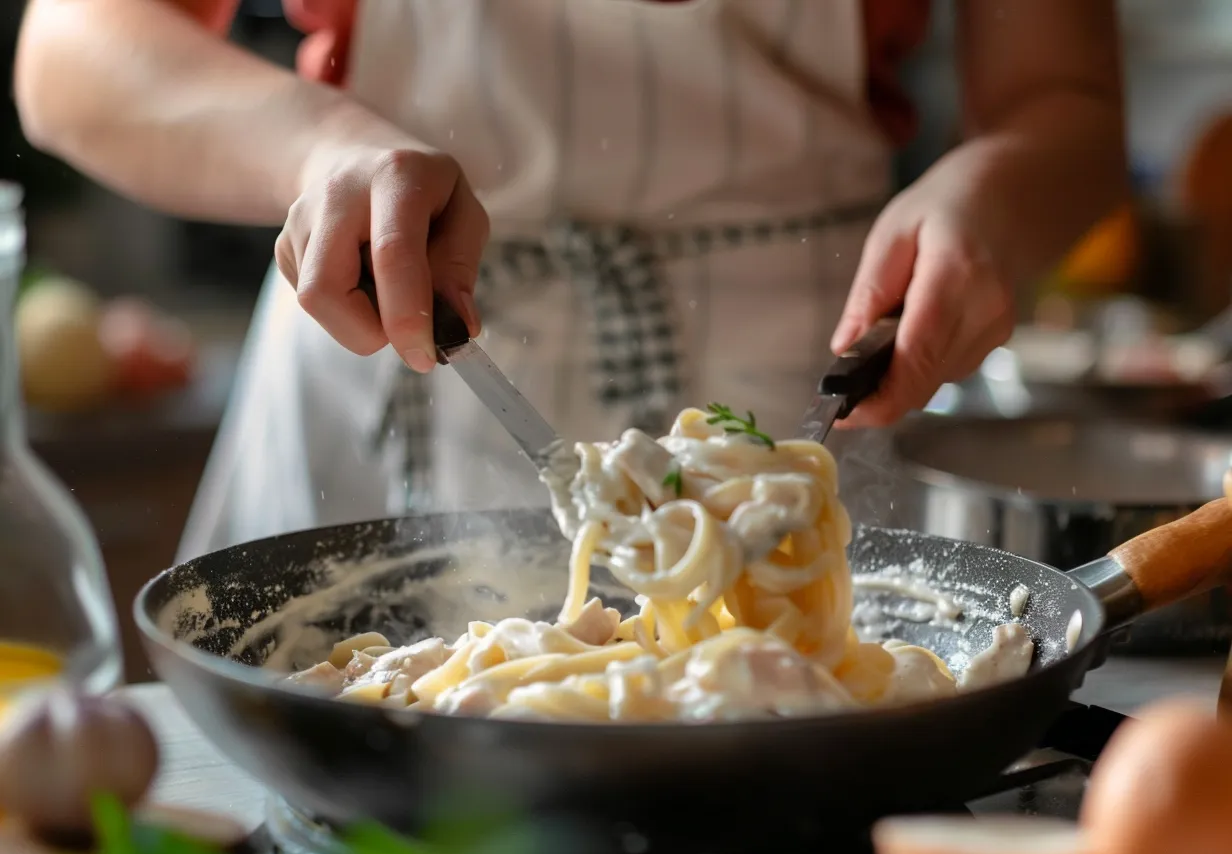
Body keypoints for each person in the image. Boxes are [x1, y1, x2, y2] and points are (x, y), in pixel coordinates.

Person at [15, 0, 1127, 560]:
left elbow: (1063, 106)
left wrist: (999, 195)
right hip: (386, 330)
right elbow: (72, 47)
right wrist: (318, 153)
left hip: (809, 396)